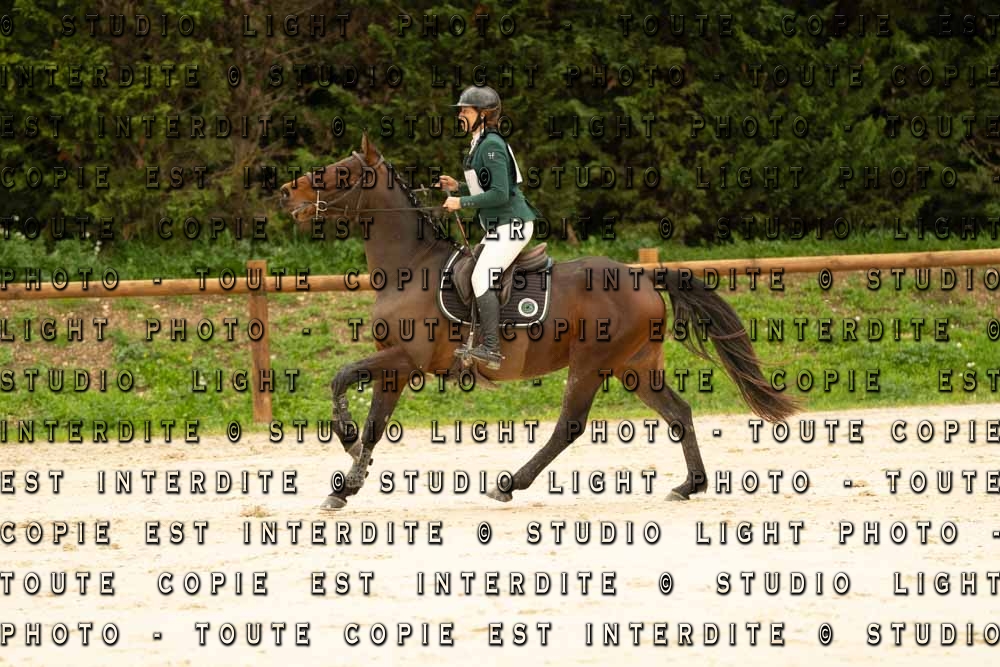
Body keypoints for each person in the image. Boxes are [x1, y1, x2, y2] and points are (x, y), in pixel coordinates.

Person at [437, 85, 538, 370]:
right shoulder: (480, 143)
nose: (460, 116)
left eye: (465, 111)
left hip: (513, 225)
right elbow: (485, 184)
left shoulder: (491, 145)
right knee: (472, 270)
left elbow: (500, 194)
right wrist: (458, 186)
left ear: (483, 114)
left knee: (482, 277)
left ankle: (492, 348)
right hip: (499, 227)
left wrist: (461, 202)